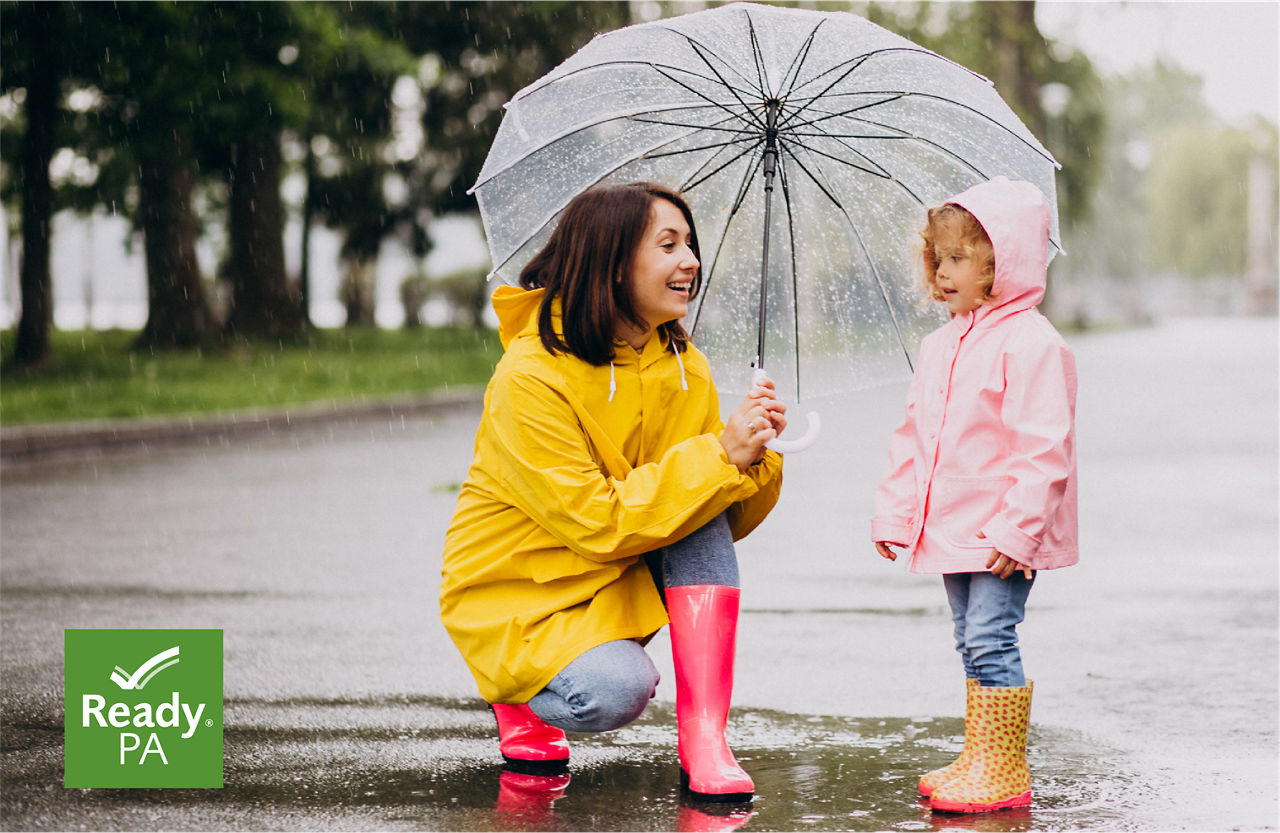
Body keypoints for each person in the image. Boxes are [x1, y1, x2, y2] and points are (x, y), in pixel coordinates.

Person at [440, 181, 786, 803]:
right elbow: (596, 522)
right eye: (669, 245)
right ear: (612, 262)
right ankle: (517, 692)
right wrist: (716, 457)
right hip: (525, 592)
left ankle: (705, 741)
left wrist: (751, 456)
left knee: (700, 508)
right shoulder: (529, 376)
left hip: (614, 574)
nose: (691, 262)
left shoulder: (685, 366)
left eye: (692, 245)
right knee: (615, 691)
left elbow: (716, 521)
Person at [870, 177, 1078, 814]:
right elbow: (915, 436)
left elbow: (1044, 447)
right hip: (952, 527)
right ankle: (981, 753)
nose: (943, 273)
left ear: (1002, 261)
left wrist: (1019, 533)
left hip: (1001, 536)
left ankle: (1005, 769)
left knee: (991, 635)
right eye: (937, 259)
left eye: (959, 258)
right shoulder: (940, 346)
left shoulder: (1032, 342)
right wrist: (897, 512)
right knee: (969, 637)